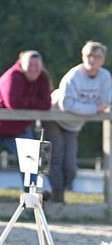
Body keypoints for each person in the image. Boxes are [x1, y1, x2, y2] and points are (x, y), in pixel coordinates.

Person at [0, 51, 52, 202]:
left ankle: (34, 198)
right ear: (21, 64)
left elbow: (46, 105)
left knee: (32, 160)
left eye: (37, 65)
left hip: (18, 126)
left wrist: (27, 101)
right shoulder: (12, 76)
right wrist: (34, 101)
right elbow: (14, 103)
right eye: (30, 64)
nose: (33, 69)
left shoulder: (43, 78)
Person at [42, 41, 112, 203]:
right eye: (89, 56)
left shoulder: (105, 77)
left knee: (71, 168)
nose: (92, 60)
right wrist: (94, 108)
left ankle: (52, 194)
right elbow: (66, 105)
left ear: (103, 59)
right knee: (55, 158)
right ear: (83, 56)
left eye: (97, 57)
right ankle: (57, 200)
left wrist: (87, 108)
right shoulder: (74, 75)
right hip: (54, 117)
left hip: (74, 123)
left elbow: (106, 102)